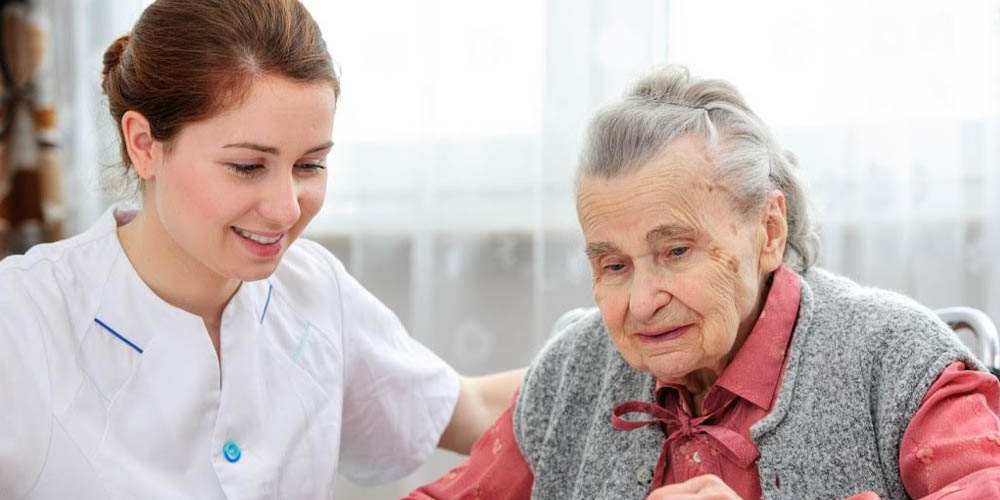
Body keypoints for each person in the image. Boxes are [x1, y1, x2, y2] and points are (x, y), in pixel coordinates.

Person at [0, 1, 522, 498]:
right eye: (248, 167)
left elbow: (468, 407)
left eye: (310, 165)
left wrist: (602, 341)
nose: (287, 209)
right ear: (143, 144)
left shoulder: (312, 287)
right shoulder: (22, 319)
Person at [406, 66, 1000, 499]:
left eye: (676, 251)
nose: (641, 303)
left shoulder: (895, 358)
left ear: (769, 230)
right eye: (614, 265)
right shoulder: (571, 372)